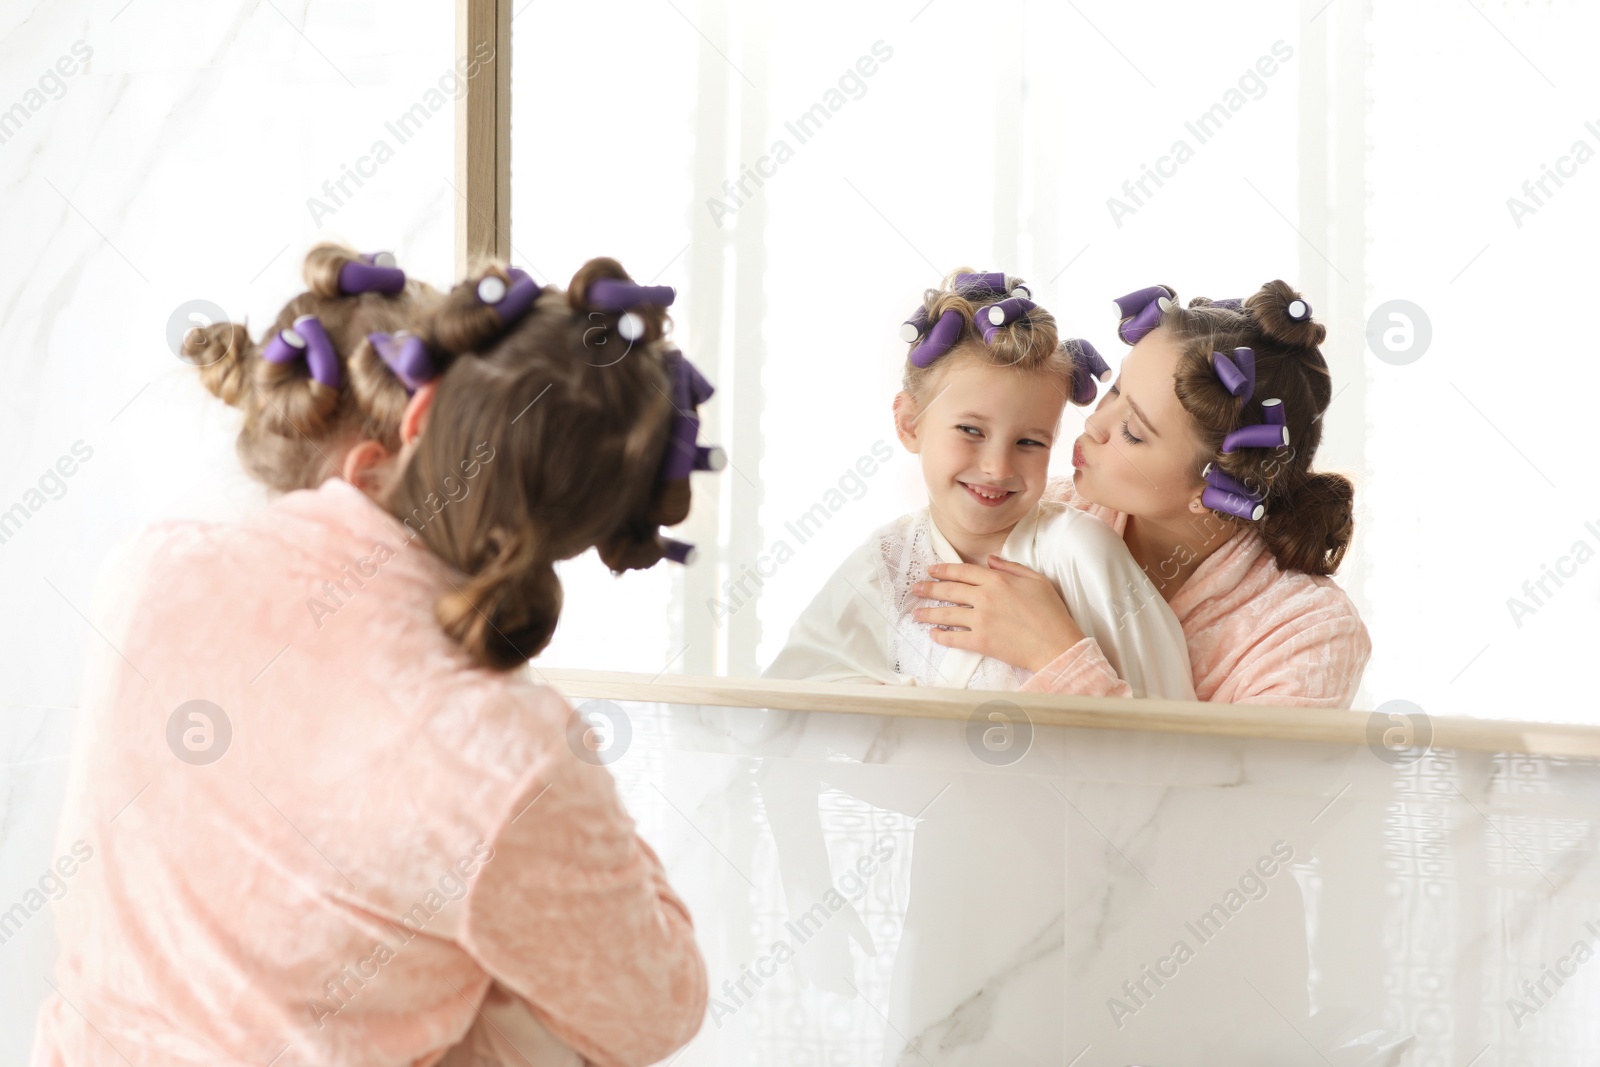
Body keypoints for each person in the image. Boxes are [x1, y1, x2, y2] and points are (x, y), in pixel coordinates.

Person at [31, 249, 714, 1065]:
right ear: (599, 525)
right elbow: (653, 1014)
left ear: (417, 415)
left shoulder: (146, 572)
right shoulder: (507, 756)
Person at [911, 281, 1372, 706]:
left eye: (1132, 432)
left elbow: (1226, 794)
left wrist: (1057, 654)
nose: (1093, 422)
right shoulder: (1041, 513)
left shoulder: (1309, 634)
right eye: (1114, 391)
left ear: (1217, 485)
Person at [764, 269, 1195, 700]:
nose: (996, 467)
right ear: (910, 424)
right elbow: (786, 703)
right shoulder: (885, 561)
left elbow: (1171, 733)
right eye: (971, 430)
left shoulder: (1080, 552)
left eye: (1029, 441)